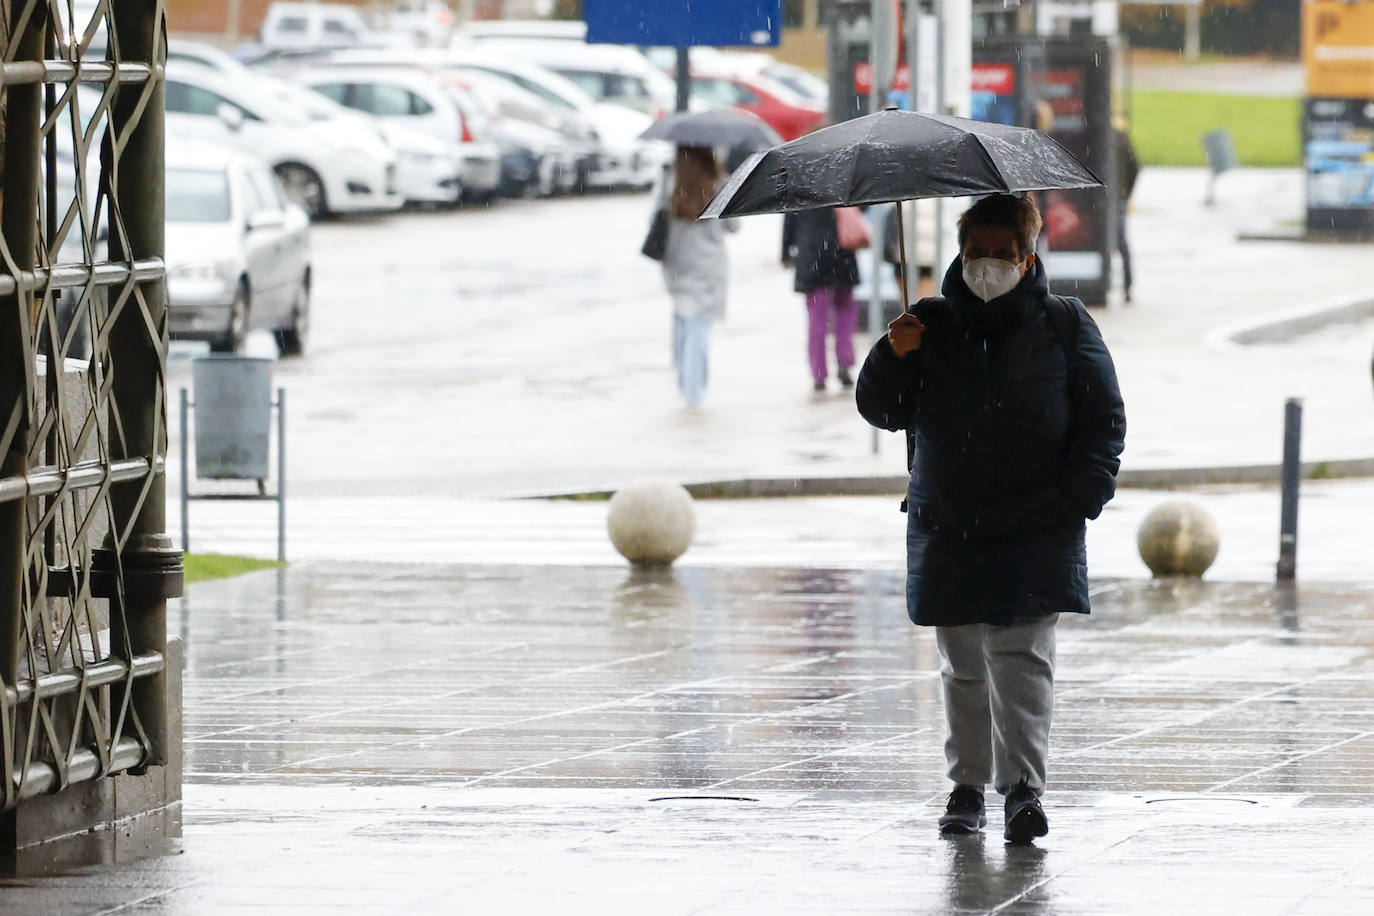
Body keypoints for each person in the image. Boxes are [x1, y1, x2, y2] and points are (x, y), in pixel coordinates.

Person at [855, 194, 1125, 844]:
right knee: (964, 664)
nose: (987, 266)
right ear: (959, 250)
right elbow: (881, 409)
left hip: (1037, 525)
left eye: (1002, 254)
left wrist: (1076, 498)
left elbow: (1103, 420)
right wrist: (893, 354)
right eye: (977, 253)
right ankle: (967, 787)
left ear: (1028, 255)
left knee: (1023, 659)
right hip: (950, 523)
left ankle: (1024, 790)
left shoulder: (1065, 324)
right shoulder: (929, 322)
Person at [658, 145, 736, 408]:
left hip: (677, 263)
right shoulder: (719, 182)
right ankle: (694, 395)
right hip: (708, 266)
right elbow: (734, 225)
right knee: (698, 329)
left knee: (683, 320)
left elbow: (655, 221)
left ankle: (685, 387)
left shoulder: (669, 181)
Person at [782, 208, 860, 392]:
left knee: (817, 319)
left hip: (811, 254)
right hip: (842, 252)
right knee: (845, 312)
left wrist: (785, 253)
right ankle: (844, 362)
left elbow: (789, 221)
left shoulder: (799, 183)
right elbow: (860, 208)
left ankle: (818, 374)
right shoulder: (842, 180)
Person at [1113, 118, 1141, 303]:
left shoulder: (1105, 138)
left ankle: (1126, 283)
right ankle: (1127, 285)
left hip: (1109, 198)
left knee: (1118, 241)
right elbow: (1135, 167)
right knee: (1122, 242)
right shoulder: (1120, 137)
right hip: (1119, 198)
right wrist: (1126, 193)